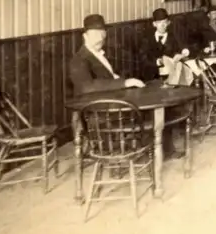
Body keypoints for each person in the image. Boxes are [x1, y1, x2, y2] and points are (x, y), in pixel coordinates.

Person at [69, 13, 185, 158]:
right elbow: (86, 87)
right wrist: (124, 82)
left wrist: (126, 81)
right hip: (103, 117)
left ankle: (158, 150)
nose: (100, 38)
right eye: (95, 34)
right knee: (156, 111)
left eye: (102, 33)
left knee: (160, 104)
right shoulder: (79, 59)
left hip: (113, 107)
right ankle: (157, 151)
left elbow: (109, 79)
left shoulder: (99, 54)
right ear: (85, 36)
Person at [137, 8, 192, 82]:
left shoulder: (174, 37)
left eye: (165, 22)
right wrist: (158, 61)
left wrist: (183, 54)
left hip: (173, 76)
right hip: (152, 78)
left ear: (169, 23)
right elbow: (143, 58)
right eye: (159, 22)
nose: (162, 25)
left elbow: (186, 48)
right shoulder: (147, 40)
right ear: (154, 24)